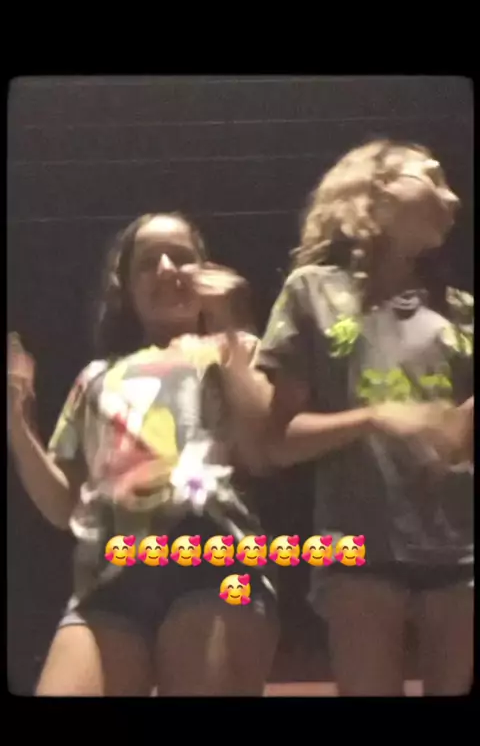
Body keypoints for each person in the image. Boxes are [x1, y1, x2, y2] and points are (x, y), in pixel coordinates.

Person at [8, 212, 278, 696]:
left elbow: (262, 448)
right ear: (127, 289)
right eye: (148, 262)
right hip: (107, 579)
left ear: (208, 272)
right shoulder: (95, 378)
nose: (167, 268)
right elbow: (63, 506)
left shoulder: (238, 348)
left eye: (182, 257)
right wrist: (16, 421)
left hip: (214, 563)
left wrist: (230, 324)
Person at [253, 140, 473, 695]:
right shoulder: (312, 291)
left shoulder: (461, 310)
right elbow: (278, 442)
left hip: (461, 549)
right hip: (357, 550)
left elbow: (457, 433)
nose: (453, 198)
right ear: (376, 191)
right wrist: (375, 417)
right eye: (432, 178)